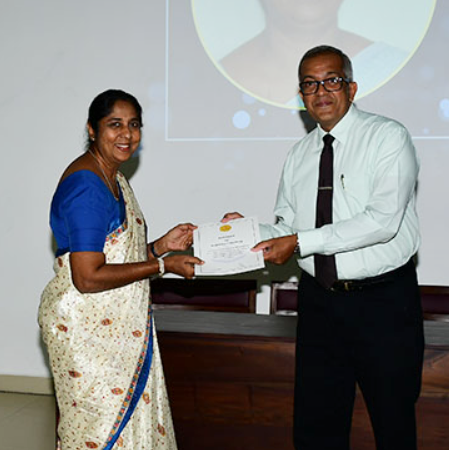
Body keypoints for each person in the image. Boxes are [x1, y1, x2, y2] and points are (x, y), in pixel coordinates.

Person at [224, 46, 424, 449]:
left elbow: (382, 222)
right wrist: (245, 232)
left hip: (383, 303)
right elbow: (287, 227)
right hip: (319, 304)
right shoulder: (299, 155)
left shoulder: (387, 137)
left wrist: (299, 241)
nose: (321, 92)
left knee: (393, 425)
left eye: (331, 80)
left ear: (351, 87)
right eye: (310, 85)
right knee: (317, 429)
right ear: (301, 96)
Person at [39, 89, 203, 450]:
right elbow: (87, 276)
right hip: (87, 335)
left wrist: (162, 246)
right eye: (115, 124)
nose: (126, 134)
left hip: (113, 332)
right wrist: (162, 265)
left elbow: (113, 257)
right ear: (92, 129)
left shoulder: (112, 177)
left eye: (134, 124)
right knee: (97, 434)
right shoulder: (87, 186)